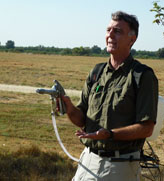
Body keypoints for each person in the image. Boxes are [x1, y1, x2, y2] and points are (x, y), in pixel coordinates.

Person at [61, 11, 158, 181]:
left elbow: (146, 128)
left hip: (120, 165)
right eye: (108, 30)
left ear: (132, 39)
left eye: (118, 31)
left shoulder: (141, 75)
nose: (110, 35)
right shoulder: (96, 72)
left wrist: (110, 134)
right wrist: (68, 107)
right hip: (88, 160)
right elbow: (81, 119)